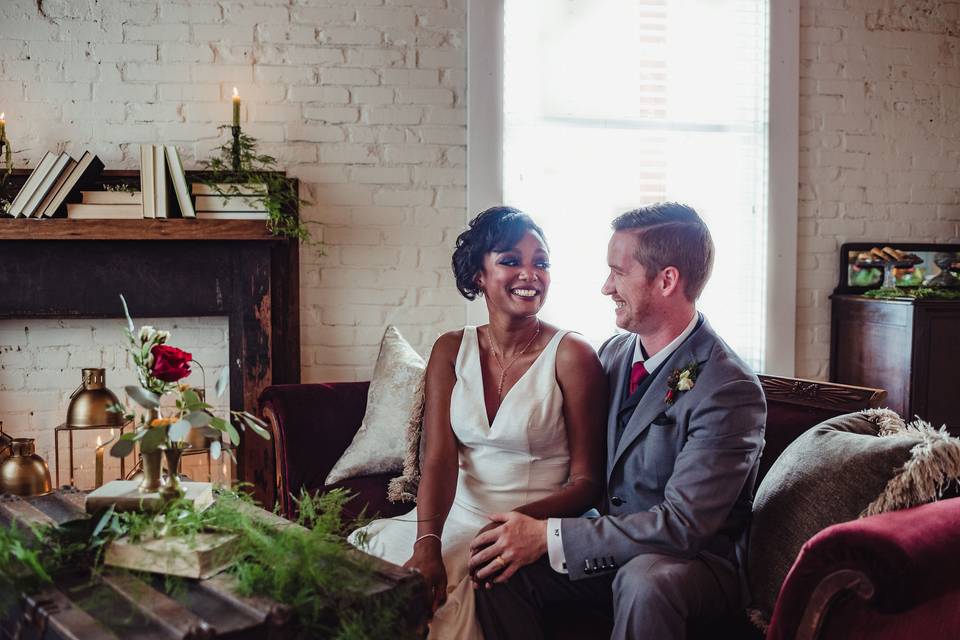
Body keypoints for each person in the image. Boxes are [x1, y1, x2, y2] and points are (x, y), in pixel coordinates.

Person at [470, 202, 767, 640]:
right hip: (610, 552)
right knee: (499, 567)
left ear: (666, 280)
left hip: (692, 565)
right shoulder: (611, 354)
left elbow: (683, 528)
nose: (606, 286)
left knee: (645, 580)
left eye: (618, 272)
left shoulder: (729, 389)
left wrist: (550, 536)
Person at [350, 206, 607, 639]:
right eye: (511, 260)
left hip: (521, 526)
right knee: (366, 571)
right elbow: (438, 459)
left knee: (449, 594)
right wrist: (427, 540)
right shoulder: (450, 349)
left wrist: (510, 527)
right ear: (478, 276)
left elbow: (586, 482)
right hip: (452, 516)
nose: (530, 273)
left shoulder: (573, 355)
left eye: (540, 263)